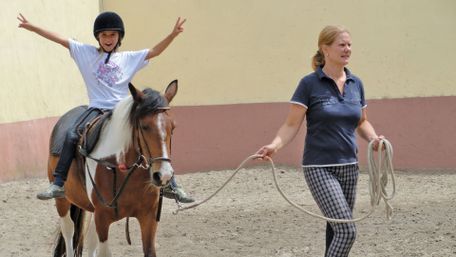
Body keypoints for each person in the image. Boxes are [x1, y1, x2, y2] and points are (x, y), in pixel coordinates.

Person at [17, 11, 194, 203]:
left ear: (119, 37)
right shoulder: (85, 53)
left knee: (151, 134)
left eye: (112, 35)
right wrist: (32, 27)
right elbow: (60, 39)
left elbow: (155, 51)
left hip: (123, 110)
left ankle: (171, 185)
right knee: (71, 136)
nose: (108, 39)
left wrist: (173, 34)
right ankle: (58, 183)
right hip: (96, 108)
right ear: (98, 37)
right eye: (104, 35)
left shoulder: (129, 58)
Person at [256, 25, 384, 257]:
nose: (347, 49)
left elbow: (362, 122)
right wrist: (275, 145)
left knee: (336, 230)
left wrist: (374, 139)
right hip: (319, 167)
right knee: (347, 231)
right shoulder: (309, 84)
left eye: (349, 45)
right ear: (325, 49)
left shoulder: (357, 84)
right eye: (341, 45)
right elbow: (292, 124)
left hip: (349, 166)